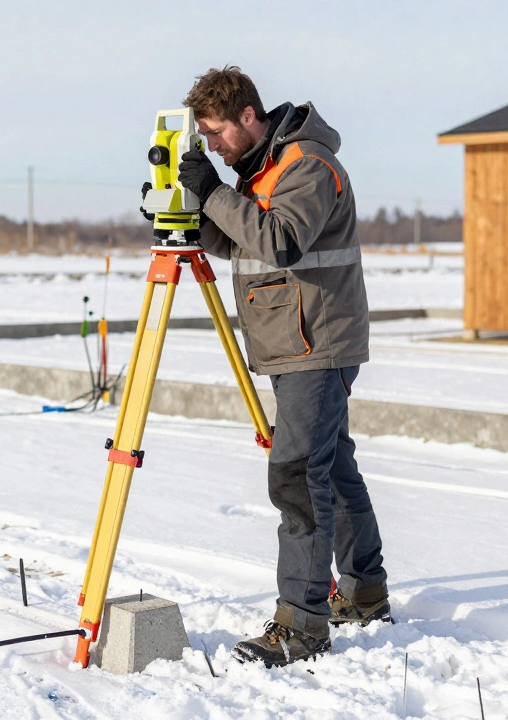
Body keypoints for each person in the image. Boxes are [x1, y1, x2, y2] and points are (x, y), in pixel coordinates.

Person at [166, 66, 389, 667]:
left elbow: (283, 240)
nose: (211, 146)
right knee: (333, 469)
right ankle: (365, 594)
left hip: (317, 344)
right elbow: (247, 242)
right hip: (299, 341)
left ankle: (303, 624)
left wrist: (213, 192)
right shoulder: (263, 170)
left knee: (296, 478)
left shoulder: (307, 165)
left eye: (215, 133)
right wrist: (192, 218)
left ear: (247, 117)